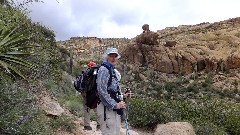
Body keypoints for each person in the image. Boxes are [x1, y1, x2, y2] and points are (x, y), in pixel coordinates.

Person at [97, 48, 132, 135]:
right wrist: (115, 105)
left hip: (113, 109)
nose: (113, 58)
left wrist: (123, 96)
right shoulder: (104, 70)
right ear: (106, 57)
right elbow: (102, 91)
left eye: (115, 56)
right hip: (107, 109)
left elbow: (113, 91)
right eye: (111, 56)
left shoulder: (112, 70)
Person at [82, 61, 100, 130]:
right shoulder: (97, 72)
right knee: (97, 108)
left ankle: (87, 125)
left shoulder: (87, 73)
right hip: (95, 93)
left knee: (86, 109)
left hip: (86, 93)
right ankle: (99, 125)